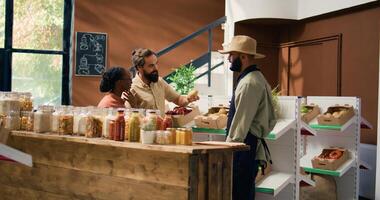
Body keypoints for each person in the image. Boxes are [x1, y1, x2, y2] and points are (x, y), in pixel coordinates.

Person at [218, 35, 277, 200]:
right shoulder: (254, 78)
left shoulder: (249, 83)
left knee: (239, 194)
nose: (229, 59)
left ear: (243, 57)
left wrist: (227, 152)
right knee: (244, 193)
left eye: (232, 55)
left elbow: (241, 124)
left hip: (242, 148)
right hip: (246, 146)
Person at [130, 48, 199, 115]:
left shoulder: (159, 82)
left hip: (163, 126)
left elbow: (178, 99)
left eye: (156, 63)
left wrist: (188, 99)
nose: (156, 68)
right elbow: (129, 117)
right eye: (151, 66)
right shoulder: (132, 88)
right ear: (139, 68)